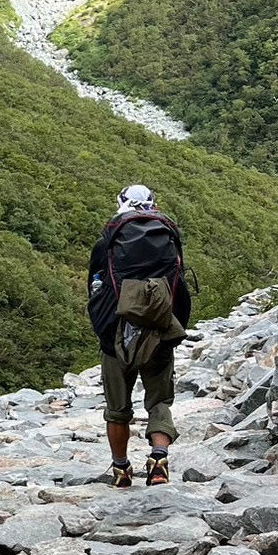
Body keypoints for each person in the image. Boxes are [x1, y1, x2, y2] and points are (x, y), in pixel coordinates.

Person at [87, 183, 191, 488]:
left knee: (117, 410)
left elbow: (95, 288)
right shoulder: (167, 236)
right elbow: (179, 285)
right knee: (159, 402)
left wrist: (104, 328)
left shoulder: (108, 240)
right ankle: (158, 459)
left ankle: (121, 470)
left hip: (115, 335)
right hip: (159, 330)